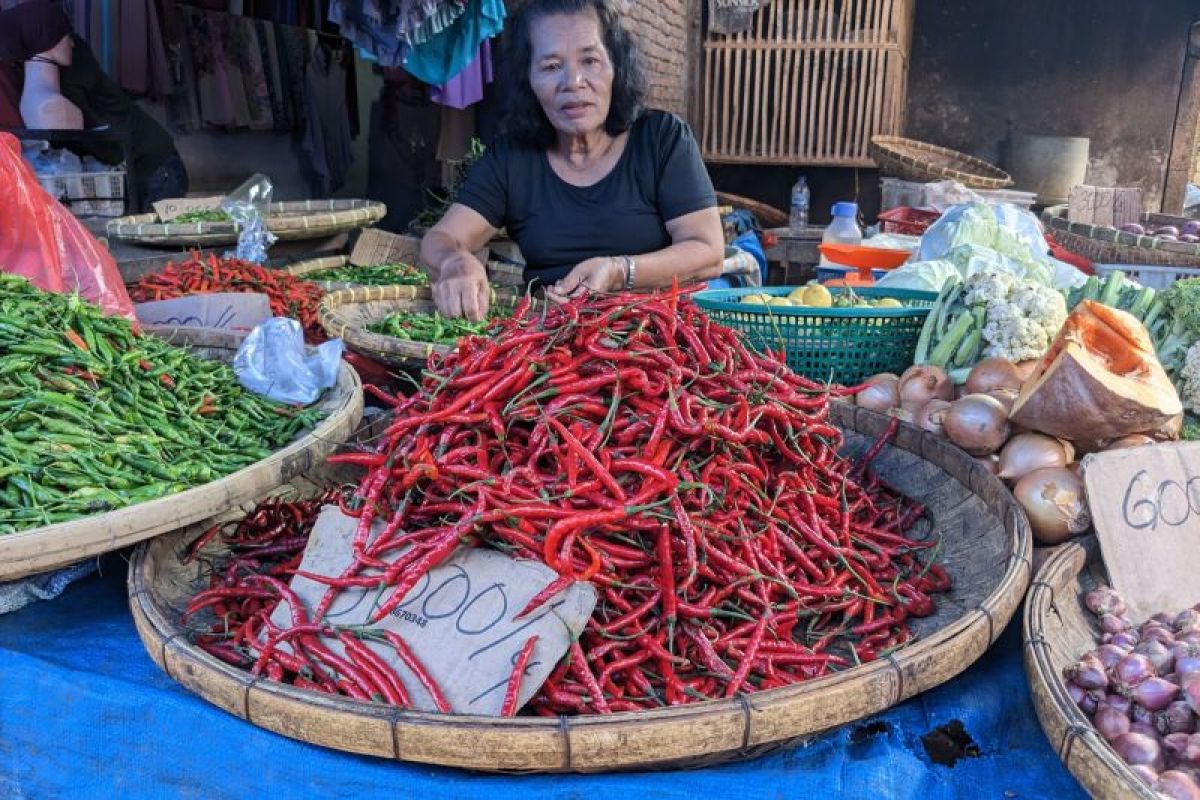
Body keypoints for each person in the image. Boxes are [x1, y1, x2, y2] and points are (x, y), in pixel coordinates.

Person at [421, 0, 725, 321]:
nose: (573, 82)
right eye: (551, 66)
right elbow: (441, 238)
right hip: (550, 342)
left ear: (616, 67)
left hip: (657, 339)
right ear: (528, 80)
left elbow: (707, 251)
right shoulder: (512, 158)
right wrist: (456, 263)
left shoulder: (662, 139)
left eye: (590, 60)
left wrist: (620, 271)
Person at [0, 1, 188, 211]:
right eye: (65, 36)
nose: (72, 42)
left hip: (154, 165)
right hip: (123, 169)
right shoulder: (33, 72)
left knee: (153, 238)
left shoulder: (72, 61)